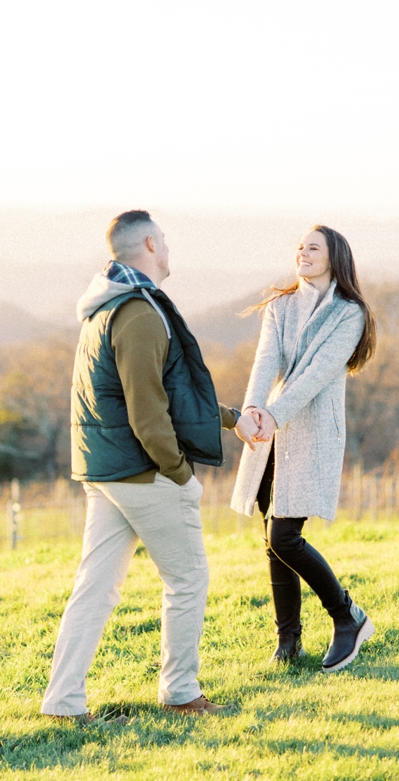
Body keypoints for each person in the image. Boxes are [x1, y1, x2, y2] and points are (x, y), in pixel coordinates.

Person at [41, 210, 260, 723]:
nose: (169, 244)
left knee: (95, 588)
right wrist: (181, 474)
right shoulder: (139, 314)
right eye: (164, 237)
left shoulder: (108, 305)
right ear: (149, 243)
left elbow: (169, 393)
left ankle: (63, 702)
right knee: (188, 579)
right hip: (142, 471)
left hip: (106, 470)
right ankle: (181, 692)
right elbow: (148, 409)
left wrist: (231, 420)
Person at [230, 225, 378, 672]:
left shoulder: (349, 313)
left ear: (335, 256)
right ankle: (288, 641)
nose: (303, 253)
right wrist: (252, 411)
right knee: (272, 538)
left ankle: (347, 615)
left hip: (310, 432)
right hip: (269, 432)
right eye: (299, 247)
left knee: (285, 536)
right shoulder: (281, 305)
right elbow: (265, 360)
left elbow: (316, 374)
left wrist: (273, 414)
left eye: (313, 247)